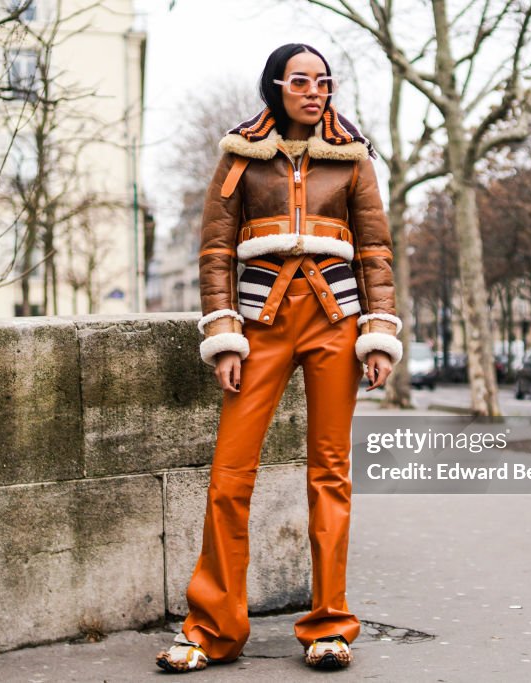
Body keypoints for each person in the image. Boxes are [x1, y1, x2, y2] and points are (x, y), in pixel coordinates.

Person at [155, 43, 402, 673]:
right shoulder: (241, 154)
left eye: (324, 81)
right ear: (275, 86)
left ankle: (329, 627)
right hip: (260, 329)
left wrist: (377, 333)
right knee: (229, 475)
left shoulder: (352, 158)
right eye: (300, 81)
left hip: (336, 326)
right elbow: (215, 251)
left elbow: (375, 251)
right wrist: (223, 334)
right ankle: (213, 630)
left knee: (330, 474)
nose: (314, 91)